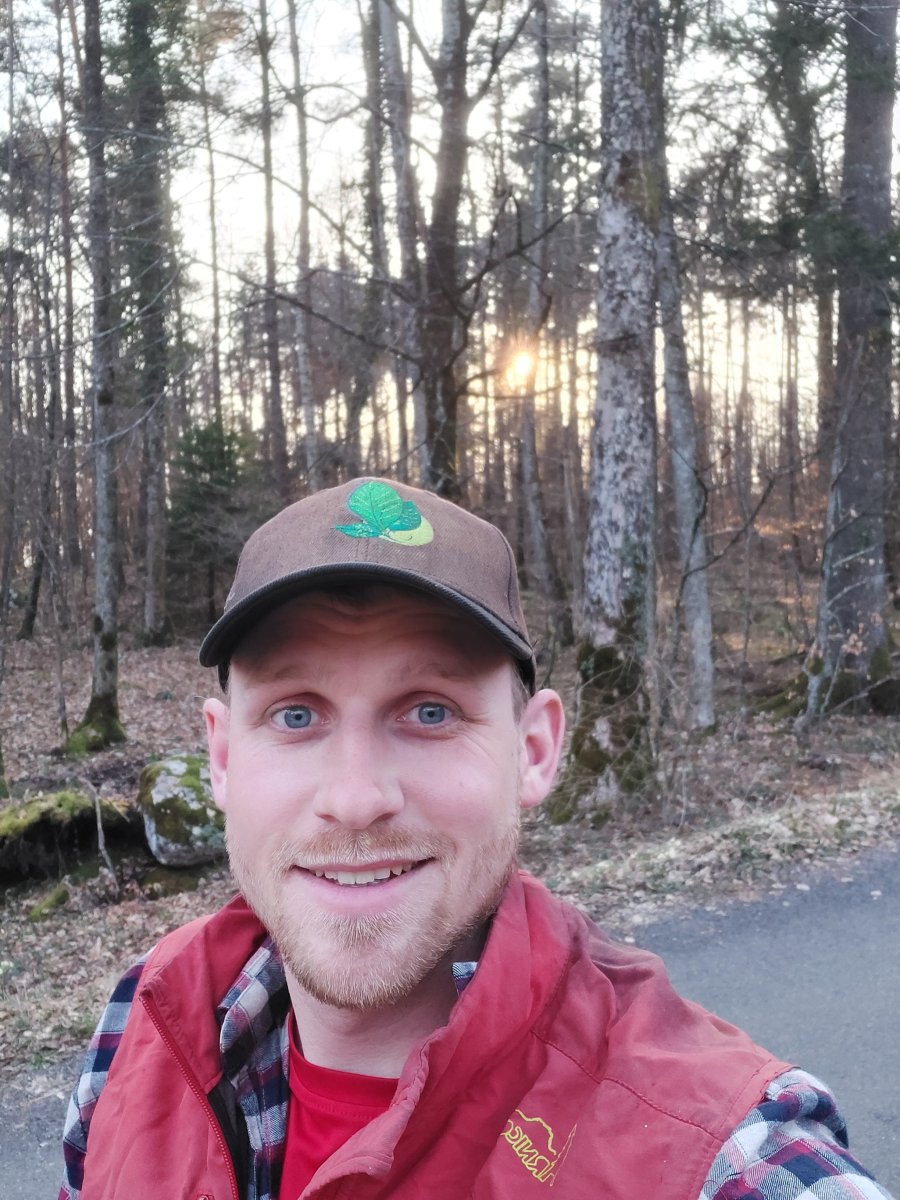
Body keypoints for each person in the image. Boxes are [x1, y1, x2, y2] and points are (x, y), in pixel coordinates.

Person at [60, 477, 893, 1200]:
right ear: (222, 757)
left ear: (534, 752)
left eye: (430, 711)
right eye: (296, 715)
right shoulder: (144, 1024)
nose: (356, 799)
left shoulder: (713, 1151)